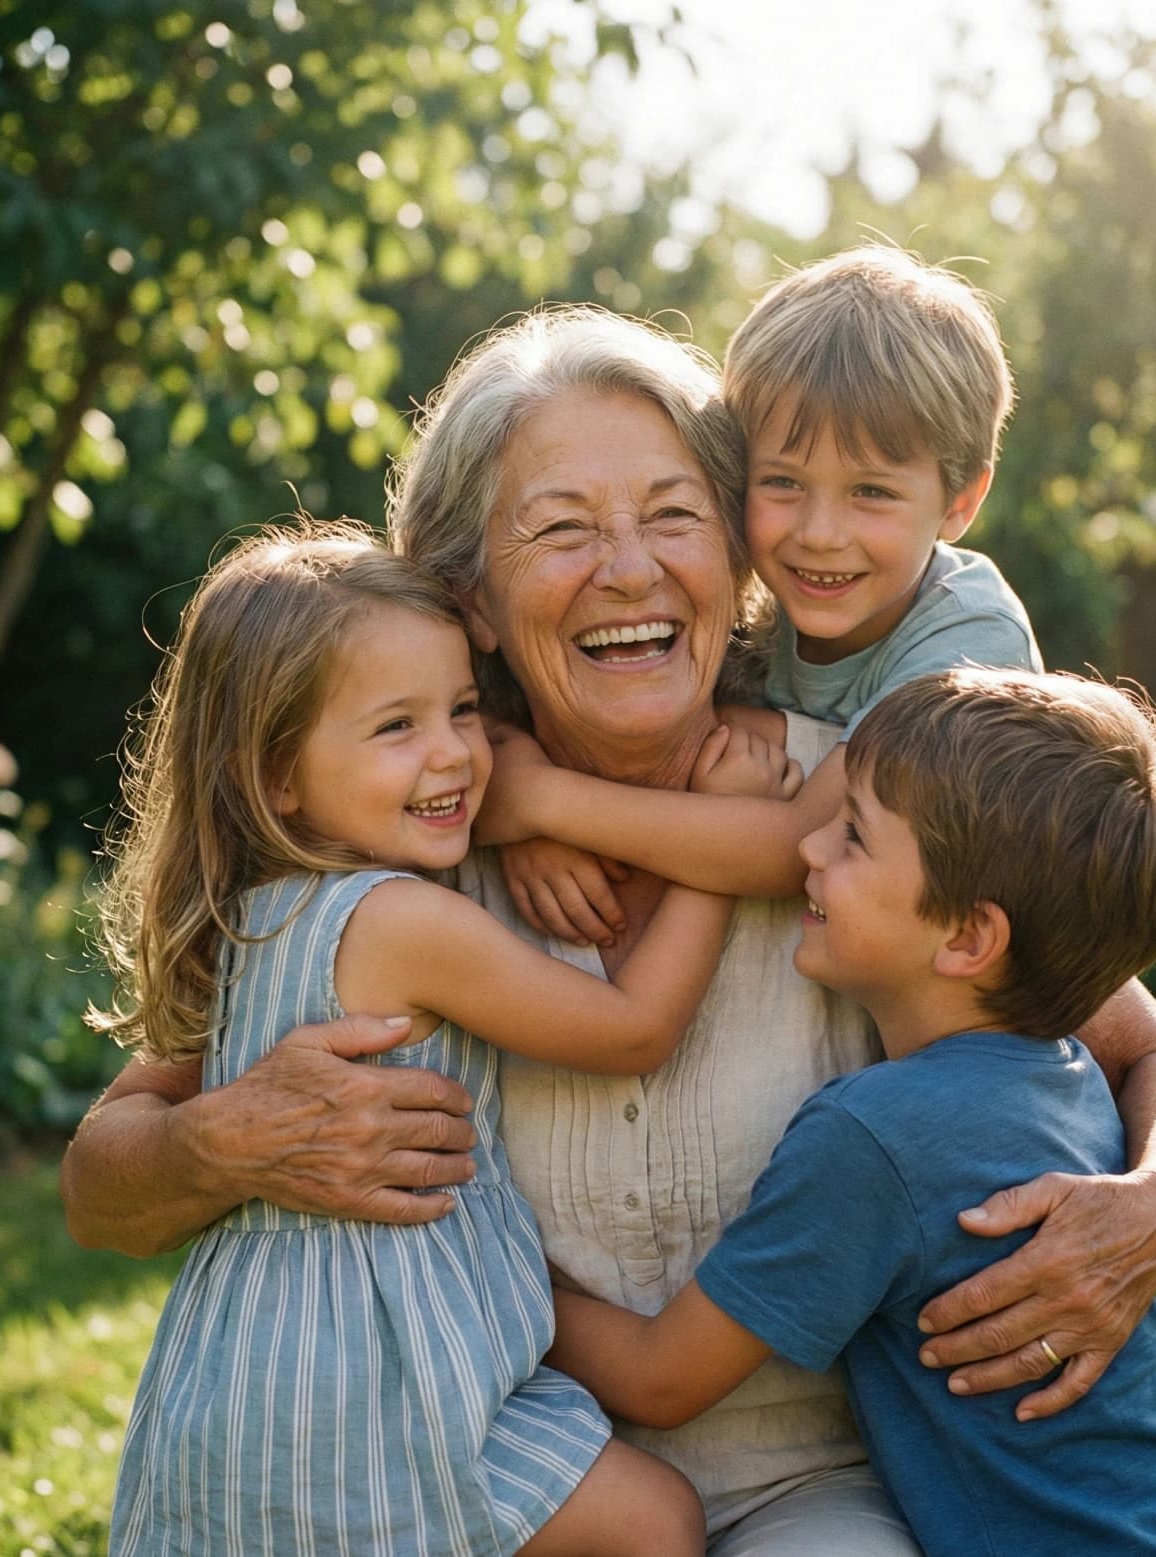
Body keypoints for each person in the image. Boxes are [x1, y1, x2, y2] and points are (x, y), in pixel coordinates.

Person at [62, 307, 1156, 1555]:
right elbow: (103, 1183)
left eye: (674, 516)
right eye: (563, 528)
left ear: (736, 554)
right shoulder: (405, 834)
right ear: (468, 591)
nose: (629, 569)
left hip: (816, 1478)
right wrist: (221, 1143)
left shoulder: (876, 819)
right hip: (489, 1467)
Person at [92, 522, 787, 1554]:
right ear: (278, 775)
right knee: (655, 1522)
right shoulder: (398, 922)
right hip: (368, 1389)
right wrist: (710, 846)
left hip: (246, 1370)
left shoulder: (258, 912)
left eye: (463, 710)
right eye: (396, 728)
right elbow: (632, 1027)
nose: (456, 753)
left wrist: (544, 819)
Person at [546, 667, 1156, 1556]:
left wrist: (488, 1280)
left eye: (852, 835)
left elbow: (659, 1380)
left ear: (969, 937)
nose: (806, 848)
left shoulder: (875, 1136)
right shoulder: (1072, 1074)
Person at [475, 245, 1040, 938]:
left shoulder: (969, 647)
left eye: (871, 492)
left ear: (960, 500)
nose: (819, 533)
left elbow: (800, 843)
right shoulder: (758, 605)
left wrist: (536, 802)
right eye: (782, 482)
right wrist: (513, 769)